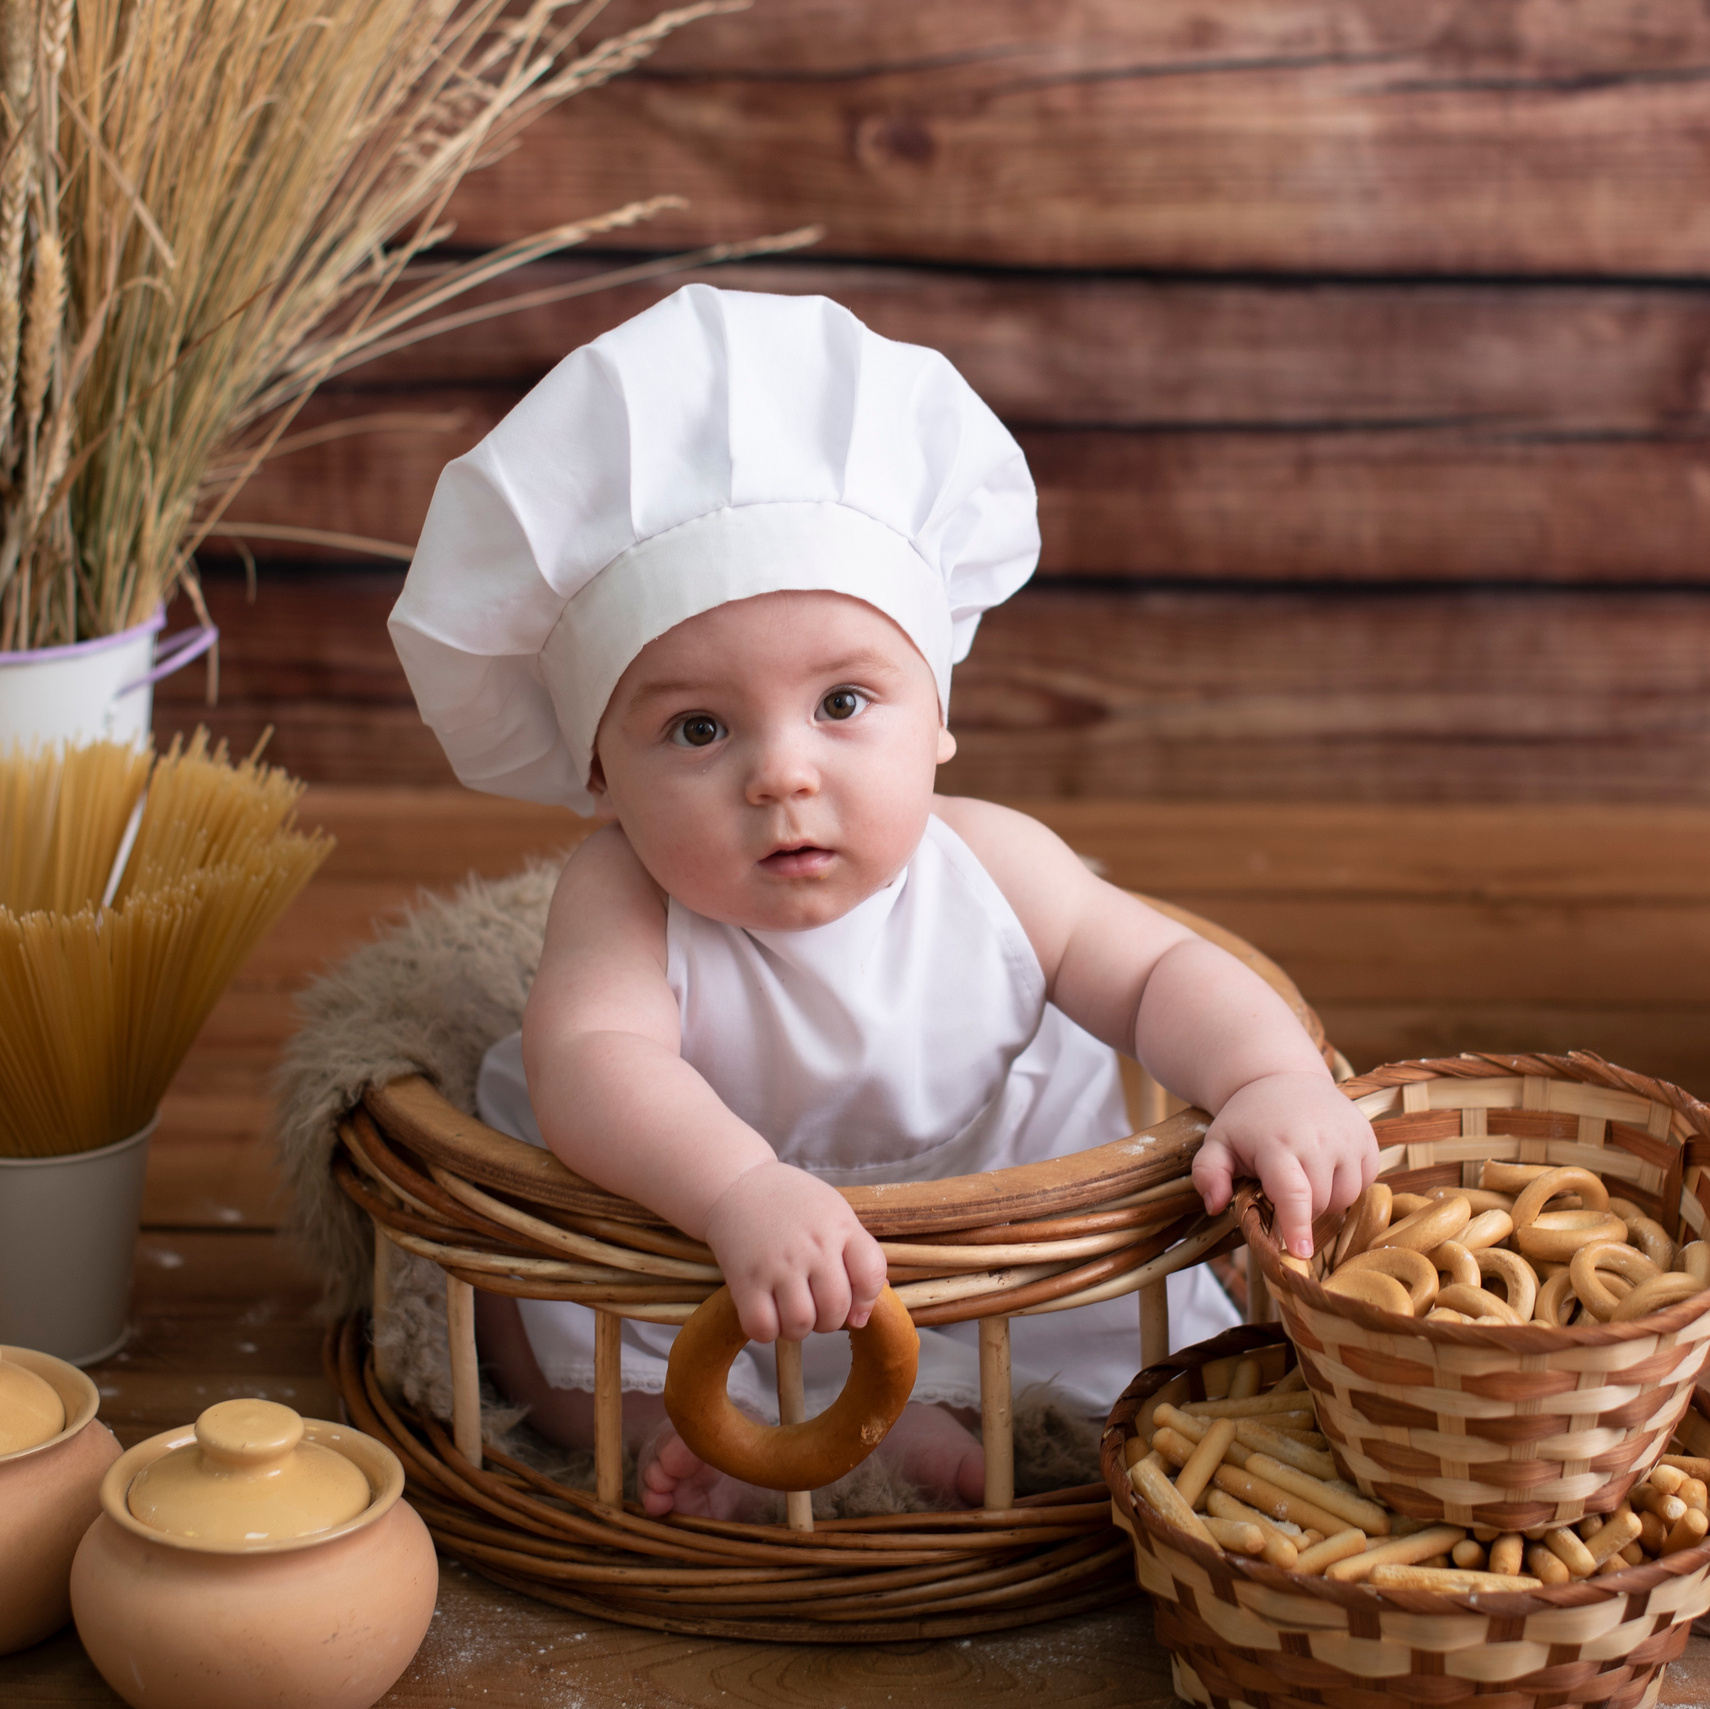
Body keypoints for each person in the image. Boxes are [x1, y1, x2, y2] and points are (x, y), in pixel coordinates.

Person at [390, 285, 1377, 1521]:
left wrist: (1269, 1078)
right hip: (693, 1220)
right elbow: (592, 1061)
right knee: (549, 1338)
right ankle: (697, 1435)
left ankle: (909, 1425)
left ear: (942, 713)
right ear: (599, 776)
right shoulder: (620, 891)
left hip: (988, 1202)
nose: (783, 772)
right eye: (699, 727)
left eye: (845, 702)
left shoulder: (996, 864)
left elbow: (1161, 970)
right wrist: (737, 1189)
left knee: (1103, 1338)